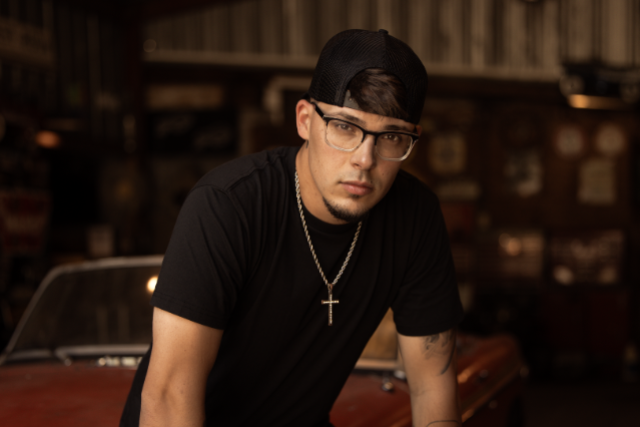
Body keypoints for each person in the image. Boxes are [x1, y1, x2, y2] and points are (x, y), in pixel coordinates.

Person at [120, 28, 463, 427]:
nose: (364, 159)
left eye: (390, 136)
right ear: (304, 120)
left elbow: (432, 386)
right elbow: (167, 396)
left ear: (411, 141)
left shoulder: (415, 217)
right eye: (345, 127)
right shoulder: (228, 205)